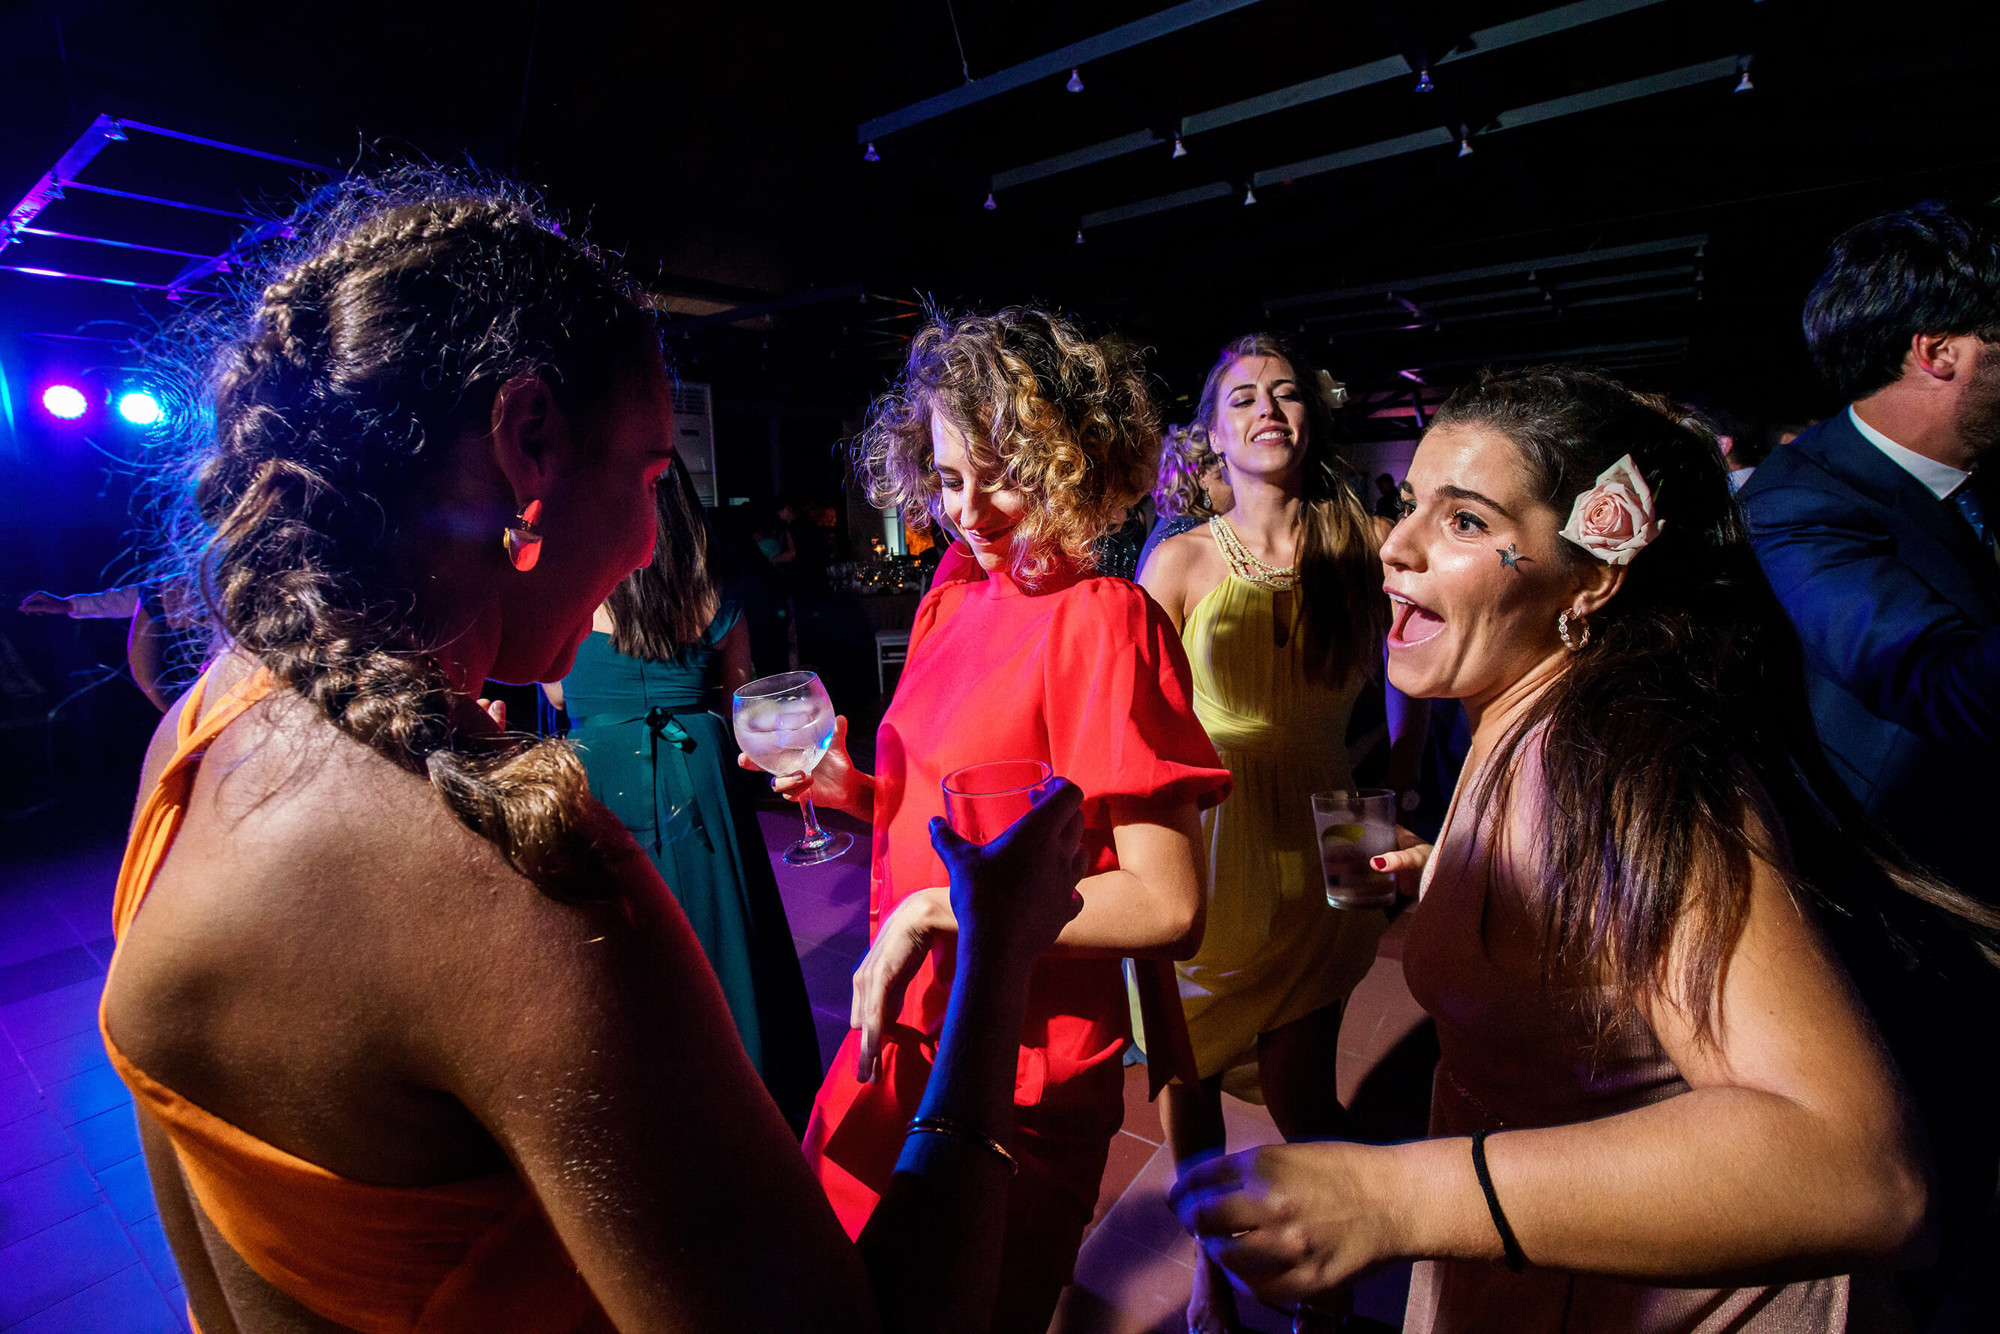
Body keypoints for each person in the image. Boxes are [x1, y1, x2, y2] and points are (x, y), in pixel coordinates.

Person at [102, 170, 1093, 1334]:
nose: (643, 537)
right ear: (529, 444)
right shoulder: (512, 874)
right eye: (648, 476)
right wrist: (994, 957)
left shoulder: (201, 726)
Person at [1172, 365, 2000, 1332]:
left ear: (1595, 576)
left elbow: (1861, 1170)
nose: (1395, 546)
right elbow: (1616, 921)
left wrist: (1398, 1198)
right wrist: (1449, 870)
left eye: (1467, 521)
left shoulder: (1607, 764)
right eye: (1409, 507)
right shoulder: (1521, 712)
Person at [754, 306, 1233, 1334]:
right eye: (947, 475)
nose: (969, 508)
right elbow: (969, 826)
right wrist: (853, 790)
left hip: (1018, 1070)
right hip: (895, 1037)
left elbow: (1164, 900)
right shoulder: (950, 595)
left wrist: (931, 912)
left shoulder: (1103, 619)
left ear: (1074, 457)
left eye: (1000, 472)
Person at [1138, 334, 1418, 1334]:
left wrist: (1381, 821)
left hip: (1331, 826)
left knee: (1306, 1087)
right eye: (1243, 396)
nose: (1268, 408)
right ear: (1210, 431)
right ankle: (1213, 1271)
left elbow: (1395, 697)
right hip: (1212, 834)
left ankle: (1331, 1280)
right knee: (1191, 1070)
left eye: (1286, 392)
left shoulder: (1360, 543)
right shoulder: (1176, 557)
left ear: (1309, 419)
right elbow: (1139, 721)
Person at [549, 456, 822, 1134]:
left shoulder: (568, 599)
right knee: (725, 947)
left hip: (599, 786)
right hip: (702, 788)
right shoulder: (717, 602)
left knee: (621, 957)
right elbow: (743, 709)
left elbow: (556, 693)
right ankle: (748, 1103)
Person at [1740, 199, 2000, 905]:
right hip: (1920, 882)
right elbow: (1941, 687)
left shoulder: (1983, 468)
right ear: (1939, 351)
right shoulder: (1797, 501)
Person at [1138, 423, 1233, 574]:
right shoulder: (1186, 535)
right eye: (1228, 475)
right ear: (1202, 476)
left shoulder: (1177, 524)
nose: (1237, 487)